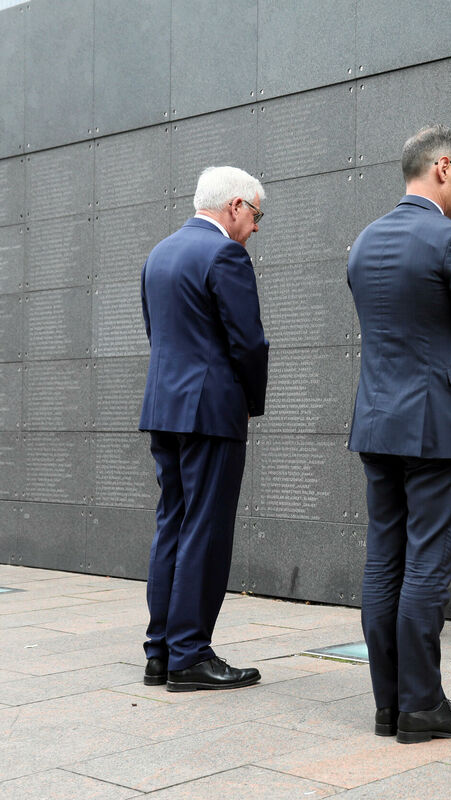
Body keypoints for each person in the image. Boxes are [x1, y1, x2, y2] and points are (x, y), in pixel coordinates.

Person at [347, 125, 451, 744]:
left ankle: (388, 705)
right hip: (434, 424)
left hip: (376, 422)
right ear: (442, 168)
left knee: (384, 561)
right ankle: (421, 705)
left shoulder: (364, 242)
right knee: (428, 565)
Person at [138, 166, 269, 692]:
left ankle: (160, 651)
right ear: (235, 206)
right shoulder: (225, 255)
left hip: (165, 408)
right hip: (211, 411)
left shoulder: (159, 254)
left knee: (172, 521)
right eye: (255, 214)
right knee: (205, 528)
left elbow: (158, 333)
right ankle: (190, 654)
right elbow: (249, 342)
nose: (255, 227)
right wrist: (249, 403)